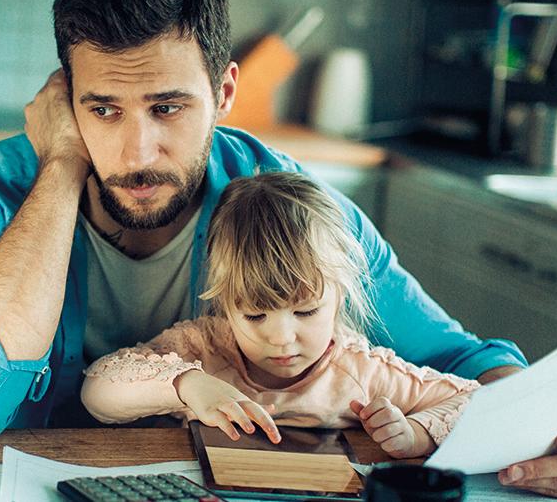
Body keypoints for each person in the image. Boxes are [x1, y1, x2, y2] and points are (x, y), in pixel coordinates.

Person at [0, 0, 557, 497]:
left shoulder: (283, 204)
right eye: (103, 109)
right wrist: (60, 167)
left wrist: (546, 432)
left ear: (224, 92)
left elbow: (461, 360)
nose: (136, 151)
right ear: (63, 98)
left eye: (168, 107)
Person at [80, 171, 480, 459]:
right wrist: (187, 385)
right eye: (255, 316)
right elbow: (97, 393)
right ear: (224, 302)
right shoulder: (203, 348)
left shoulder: (363, 371)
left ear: (340, 295)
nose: (282, 338)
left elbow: (475, 401)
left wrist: (416, 434)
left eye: (306, 311)